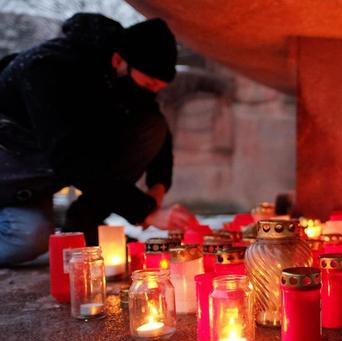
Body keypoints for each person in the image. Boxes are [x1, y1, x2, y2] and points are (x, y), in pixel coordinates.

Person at [0, 13, 197, 266]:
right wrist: (145, 211)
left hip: (30, 188)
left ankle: (85, 222)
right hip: (8, 172)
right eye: (149, 85)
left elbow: (155, 128)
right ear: (119, 60)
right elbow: (69, 157)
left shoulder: (114, 77)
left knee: (32, 235)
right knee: (26, 238)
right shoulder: (47, 69)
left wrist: (157, 187)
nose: (149, 94)